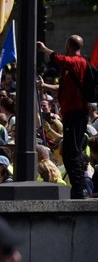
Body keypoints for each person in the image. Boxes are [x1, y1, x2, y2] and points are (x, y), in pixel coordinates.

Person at [37, 36, 90, 198]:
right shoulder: (73, 67)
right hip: (72, 114)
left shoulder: (78, 62)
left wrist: (45, 49)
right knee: (69, 150)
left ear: (68, 45)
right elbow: (62, 87)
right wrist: (44, 86)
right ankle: (78, 187)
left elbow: (61, 60)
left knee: (70, 151)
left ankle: (79, 188)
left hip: (76, 113)